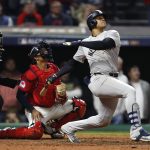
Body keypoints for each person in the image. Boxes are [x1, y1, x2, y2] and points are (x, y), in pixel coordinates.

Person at [45, 10, 150, 143]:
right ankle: (137, 130)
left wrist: (78, 42)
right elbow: (71, 64)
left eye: (103, 17)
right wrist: (54, 76)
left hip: (111, 79)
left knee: (103, 120)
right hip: (99, 79)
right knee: (130, 91)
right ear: (92, 22)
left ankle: (68, 127)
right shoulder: (85, 43)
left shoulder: (111, 34)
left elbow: (105, 44)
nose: (103, 20)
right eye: (99, 18)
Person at [0, 41, 86, 139]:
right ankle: (4, 132)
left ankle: (53, 129)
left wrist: (62, 96)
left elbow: (58, 92)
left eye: (46, 50)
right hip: (37, 109)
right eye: (42, 51)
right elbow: (19, 95)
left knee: (80, 105)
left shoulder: (54, 68)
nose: (46, 52)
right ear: (36, 57)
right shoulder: (30, 73)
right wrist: (32, 110)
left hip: (53, 105)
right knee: (34, 133)